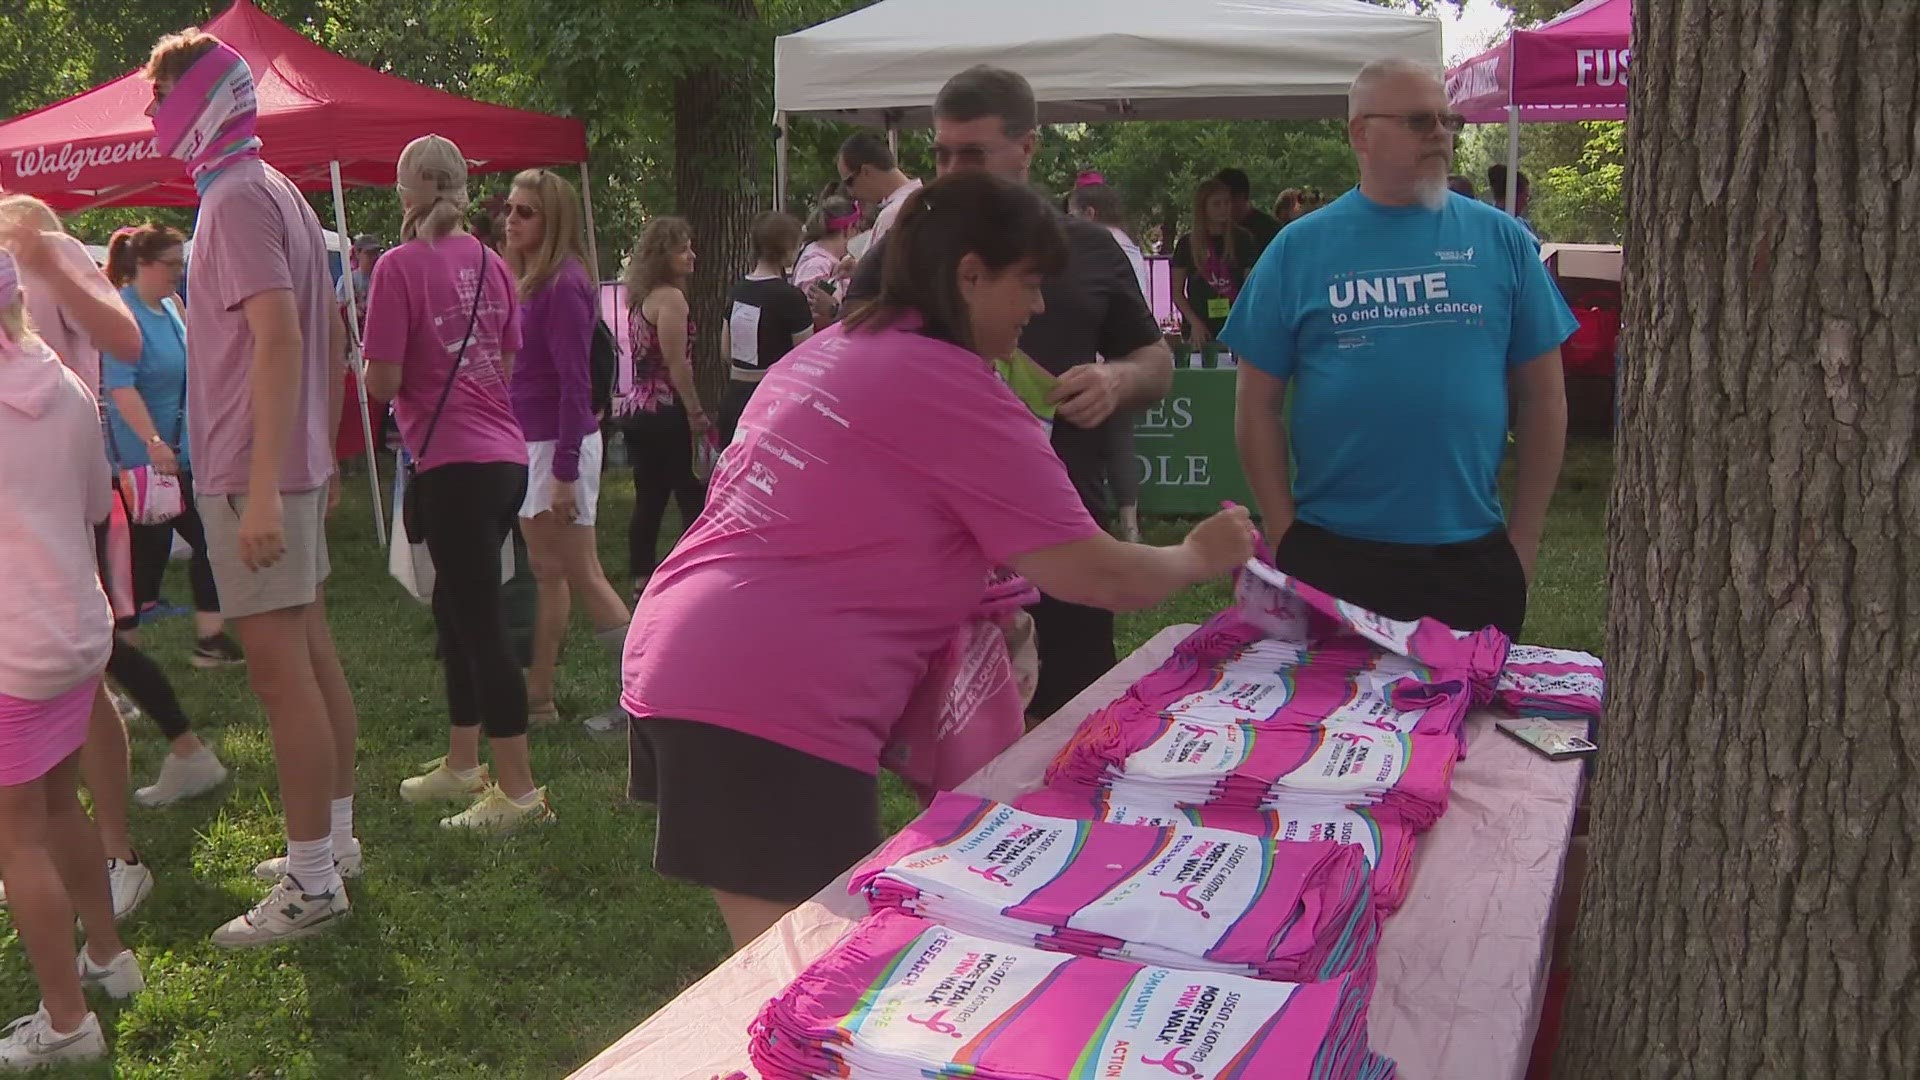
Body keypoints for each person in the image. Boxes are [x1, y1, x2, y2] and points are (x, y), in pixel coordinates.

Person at [621, 172, 1253, 950]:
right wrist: (1196, 555)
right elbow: (1100, 575)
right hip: (766, 699)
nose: (1040, 307)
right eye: (1029, 283)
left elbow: (851, 523)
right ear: (969, 275)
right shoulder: (955, 389)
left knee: (794, 972)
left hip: (692, 660)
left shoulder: (836, 348)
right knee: (816, 982)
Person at [843, 65, 1174, 724]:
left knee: (1076, 736)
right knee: (959, 757)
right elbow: (846, 366)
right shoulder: (904, 250)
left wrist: (1118, 379)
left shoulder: (1090, 250)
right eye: (940, 154)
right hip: (942, 552)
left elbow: (1155, 360)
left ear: (1028, 148)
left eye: (973, 153)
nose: (952, 171)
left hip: (1066, 539)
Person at [1224, 58, 1574, 638]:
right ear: (1360, 133)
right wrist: (1284, 533)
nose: (1440, 134)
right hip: (1335, 552)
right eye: (1419, 121)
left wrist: (1526, 540)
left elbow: (1544, 398)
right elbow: (1255, 405)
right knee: (1332, 724)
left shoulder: (1503, 241)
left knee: (1468, 727)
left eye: (1447, 120)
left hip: (1472, 555)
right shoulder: (1298, 249)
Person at [143, 29, 362, 947]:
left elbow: (278, 337)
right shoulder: (272, 188)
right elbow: (318, 332)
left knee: (281, 677)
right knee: (310, 658)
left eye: (160, 98)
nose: (153, 117)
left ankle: (312, 882)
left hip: (252, 473)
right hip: (283, 463)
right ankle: (334, 847)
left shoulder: (233, 199)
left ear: (199, 102)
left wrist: (267, 489)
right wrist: (317, 457)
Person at [363, 135, 553, 831]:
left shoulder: (397, 267)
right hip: (503, 458)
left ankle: (520, 794)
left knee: (479, 624)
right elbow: (504, 361)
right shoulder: (492, 262)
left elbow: (382, 382)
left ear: (408, 192)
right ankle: (462, 763)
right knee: (456, 610)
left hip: (452, 464)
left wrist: (370, 371)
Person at [0, 248, 146, 1070]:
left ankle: (66, 1022)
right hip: (76, 632)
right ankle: (109, 957)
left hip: (14, 648)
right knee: (60, 807)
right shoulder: (64, 385)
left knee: (15, 837)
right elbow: (97, 504)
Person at [0, 195, 162, 916]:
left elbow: (127, 339)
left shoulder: (40, 233)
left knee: (87, 679)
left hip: (60, 480)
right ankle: (42, 852)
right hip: (23, 496)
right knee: (63, 684)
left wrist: (51, 268)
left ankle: (116, 850)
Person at [98, 225, 236, 808]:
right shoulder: (122, 315)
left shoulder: (171, 308)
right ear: (142, 265)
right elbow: (119, 387)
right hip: (142, 465)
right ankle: (120, 669)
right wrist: (153, 440)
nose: (179, 271)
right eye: (171, 263)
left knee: (201, 548)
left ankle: (206, 641)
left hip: (178, 460)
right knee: (137, 576)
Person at [502, 168, 631, 728]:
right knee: (550, 571)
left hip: (560, 443)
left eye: (524, 212)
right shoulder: (535, 280)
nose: (510, 220)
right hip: (539, 441)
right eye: (508, 208)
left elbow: (576, 382)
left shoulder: (563, 284)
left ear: (552, 220)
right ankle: (540, 698)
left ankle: (643, 698)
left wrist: (562, 470)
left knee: (582, 571)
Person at [615, 216, 709, 594]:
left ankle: (641, 572)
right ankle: (698, 570)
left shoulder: (641, 296)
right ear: (663, 255)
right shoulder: (670, 299)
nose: (691, 256)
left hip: (637, 408)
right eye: (682, 249)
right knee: (690, 492)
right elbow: (676, 362)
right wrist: (695, 411)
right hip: (664, 409)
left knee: (649, 495)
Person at [1067, 178, 1148, 544]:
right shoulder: (1133, 248)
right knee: (1120, 443)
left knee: (1087, 449)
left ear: (1089, 213)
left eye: (1071, 215)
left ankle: (1084, 523)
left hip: (1095, 359)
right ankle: (1130, 526)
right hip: (1128, 358)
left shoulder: (1095, 248)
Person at [719, 212, 812, 446]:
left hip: (735, 397)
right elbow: (804, 360)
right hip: (773, 403)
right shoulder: (791, 298)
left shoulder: (737, 291)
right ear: (788, 247)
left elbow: (726, 351)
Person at [1170, 177, 1258, 350]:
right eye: (1217, 204)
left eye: (1226, 203)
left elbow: (1251, 288)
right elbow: (1177, 293)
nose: (1224, 209)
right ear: (1203, 208)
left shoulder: (1243, 239)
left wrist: (1240, 324)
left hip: (1234, 325)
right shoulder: (1187, 243)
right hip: (1199, 328)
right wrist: (1194, 323)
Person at [837, 131, 922, 249]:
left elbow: (881, 267)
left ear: (866, 171)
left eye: (849, 182)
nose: (851, 192)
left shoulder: (892, 216)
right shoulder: (925, 198)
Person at [794, 193, 858, 330]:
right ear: (848, 228)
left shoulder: (836, 263)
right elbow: (813, 318)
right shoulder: (816, 265)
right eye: (857, 229)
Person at [1215, 167, 1281, 255]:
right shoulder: (1216, 230)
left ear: (1240, 197)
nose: (1221, 208)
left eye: (1225, 201)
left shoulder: (1271, 232)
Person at [1487, 163, 1543, 240]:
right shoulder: (1491, 225)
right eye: (1525, 196)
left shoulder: (1523, 224)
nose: (1526, 203)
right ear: (1513, 195)